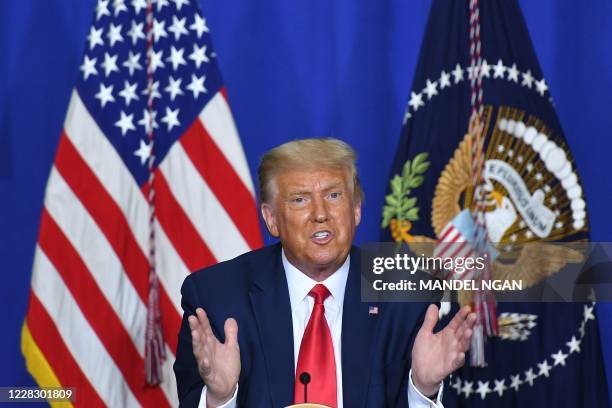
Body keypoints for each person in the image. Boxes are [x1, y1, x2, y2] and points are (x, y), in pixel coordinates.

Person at [174, 138, 476, 407]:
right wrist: (219, 398)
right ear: (271, 219)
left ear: (356, 209)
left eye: (334, 195)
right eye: (300, 199)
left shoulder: (410, 293)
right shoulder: (216, 297)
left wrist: (422, 389)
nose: (320, 214)